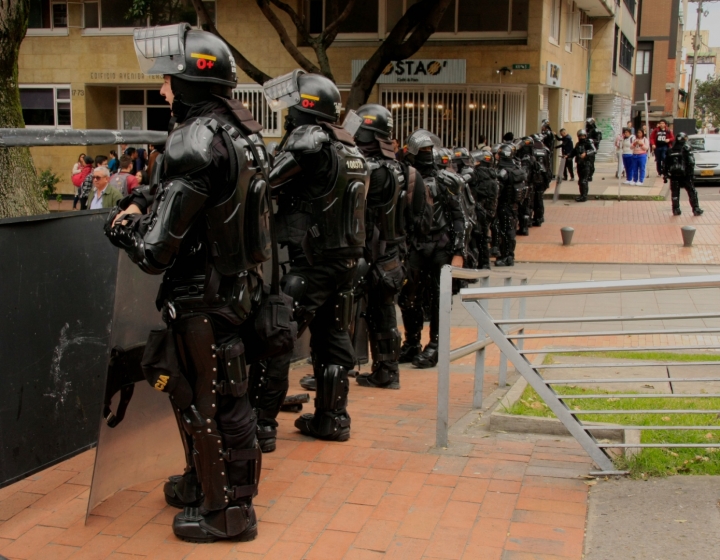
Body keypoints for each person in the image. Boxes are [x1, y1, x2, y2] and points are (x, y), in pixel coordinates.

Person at [105, 23, 269, 542]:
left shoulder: (194, 139)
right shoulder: (239, 133)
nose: (162, 91)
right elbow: (180, 195)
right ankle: (202, 484)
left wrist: (123, 228)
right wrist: (144, 202)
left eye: (169, 82)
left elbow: (155, 252)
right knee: (214, 394)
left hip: (201, 293)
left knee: (207, 401)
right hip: (232, 286)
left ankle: (228, 514)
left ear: (191, 84)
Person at [252, 70, 365, 450]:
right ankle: (332, 418)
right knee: (333, 339)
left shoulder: (310, 139)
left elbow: (265, 179)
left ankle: (261, 426)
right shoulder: (350, 148)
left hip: (309, 263)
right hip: (344, 263)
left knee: (276, 338)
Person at [397, 129, 468, 368]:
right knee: (409, 296)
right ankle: (412, 343)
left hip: (441, 246)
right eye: (422, 150)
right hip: (415, 244)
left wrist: (459, 251)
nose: (427, 154)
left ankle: (436, 345)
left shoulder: (448, 180)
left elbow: (461, 217)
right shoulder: (405, 177)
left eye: (430, 149)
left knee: (440, 298)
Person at [349, 104, 407, 389]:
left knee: (348, 310)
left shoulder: (370, 168)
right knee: (382, 313)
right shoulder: (397, 167)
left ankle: (341, 369)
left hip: (371, 253)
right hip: (391, 252)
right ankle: (386, 369)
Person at [494, 143, 526, 267]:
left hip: (504, 205)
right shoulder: (516, 168)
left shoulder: (503, 171)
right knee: (510, 229)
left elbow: (498, 190)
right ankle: (508, 255)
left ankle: (507, 257)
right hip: (514, 205)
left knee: (506, 231)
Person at [664, 132, 703, 216]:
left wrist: (665, 174)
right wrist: (691, 174)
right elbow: (691, 162)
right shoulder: (686, 149)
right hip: (686, 175)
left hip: (674, 175)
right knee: (692, 191)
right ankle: (696, 208)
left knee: (675, 192)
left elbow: (665, 163)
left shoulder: (670, 150)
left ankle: (675, 209)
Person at [530, 134, 551, 226]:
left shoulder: (531, 150)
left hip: (534, 178)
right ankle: (539, 217)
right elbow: (547, 166)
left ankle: (535, 218)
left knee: (533, 199)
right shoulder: (545, 149)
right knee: (539, 199)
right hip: (542, 177)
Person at [570, 129, 595, 202]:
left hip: (586, 164)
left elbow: (593, 150)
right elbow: (574, 151)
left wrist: (586, 153)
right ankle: (582, 195)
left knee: (583, 181)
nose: (582, 137)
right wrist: (568, 155)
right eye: (580, 136)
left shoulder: (588, 142)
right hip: (579, 163)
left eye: (583, 136)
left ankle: (584, 196)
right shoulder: (578, 144)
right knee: (580, 181)